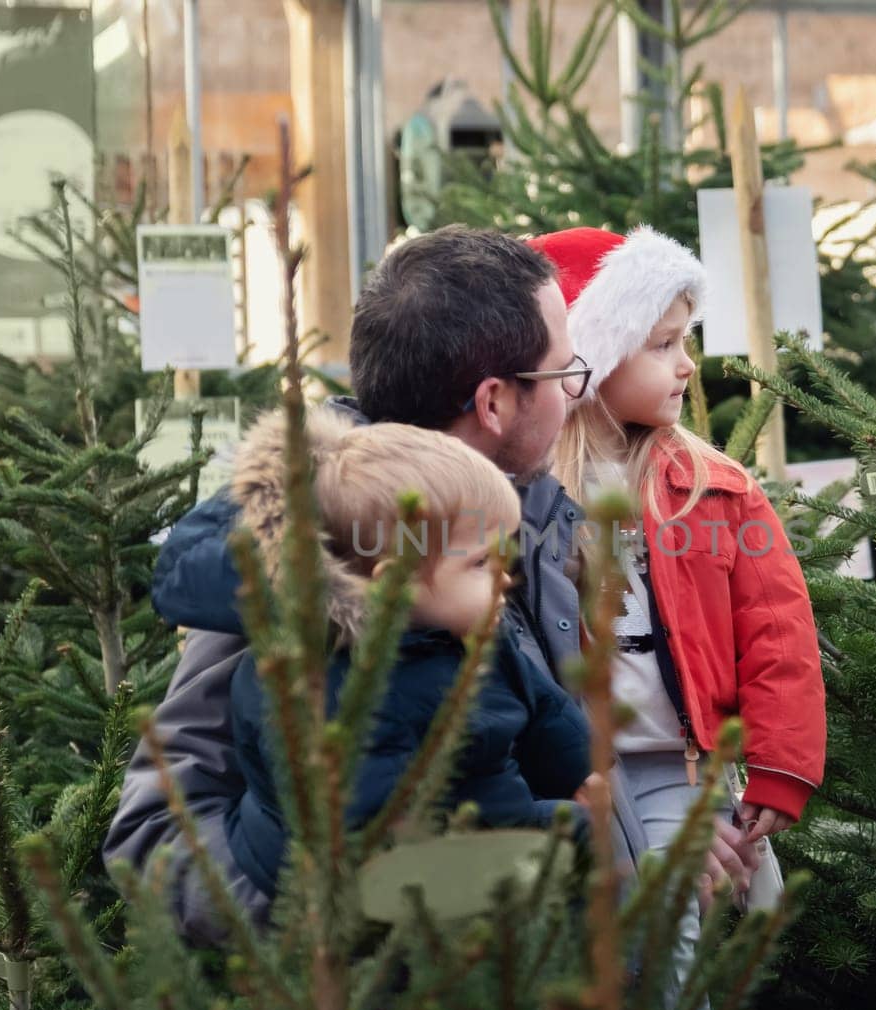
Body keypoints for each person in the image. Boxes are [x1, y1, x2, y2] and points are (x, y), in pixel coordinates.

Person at [104, 226, 757, 943]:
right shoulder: (321, 546)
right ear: (493, 403)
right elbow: (154, 839)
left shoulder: (523, 505)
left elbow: (547, 739)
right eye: (564, 371)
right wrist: (379, 924)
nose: (577, 392)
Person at [529, 226, 827, 1010]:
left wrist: (776, 764)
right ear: (595, 352)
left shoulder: (713, 489)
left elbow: (777, 632)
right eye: (662, 344)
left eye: (685, 340)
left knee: (668, 943)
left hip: (669, 764)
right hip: (562, 765)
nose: (686, 364)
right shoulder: (528, 489)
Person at [218, 407, 594, 896]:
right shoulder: (354, 695)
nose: (507, 575)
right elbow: (433, 837)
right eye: (482, 561)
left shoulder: (468, 633)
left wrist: (582, 766)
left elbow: (542, 708)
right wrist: (570, 826)